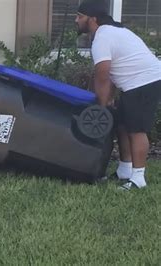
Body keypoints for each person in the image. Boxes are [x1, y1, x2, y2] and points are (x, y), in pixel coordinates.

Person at [75, 0, 161, 190]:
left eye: (80, 16)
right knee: (121, 124)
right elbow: (111, 72)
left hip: (145, 81)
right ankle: (125, 169)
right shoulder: (109, 33)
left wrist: (100, 106)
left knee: (136, 129)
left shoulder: (103, 37)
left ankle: (138, 178)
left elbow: (103, 75)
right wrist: (107, 99)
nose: (76, 20)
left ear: (93, 19)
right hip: (135, 83)